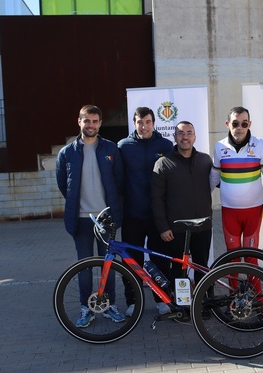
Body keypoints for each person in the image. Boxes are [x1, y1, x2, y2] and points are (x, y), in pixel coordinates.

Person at [55, 104, 126, 327]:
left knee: (109, 266)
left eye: (95, 121)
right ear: (79, 122)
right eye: (87, 121)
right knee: (84, 267)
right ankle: (86, 308)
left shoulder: (111, 149)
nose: (91, 125)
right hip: (81, 219)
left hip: (106, 219)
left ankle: (109, 305)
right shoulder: (66, 153)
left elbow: (119, 181)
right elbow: (63, 184)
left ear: (100, 123)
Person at [118, 107, 173, 317]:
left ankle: (162, 300)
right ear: (134, 123)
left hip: (158, 216)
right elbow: (118, 180)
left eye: (148, 122)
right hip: (133, 215)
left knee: (161, 260)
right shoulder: (123, 146)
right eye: (140, 122)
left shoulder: (166, 146)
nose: (144, 126)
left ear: (154, 123)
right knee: (132, 260)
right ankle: (133, 301)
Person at [210, 106, 263, 254]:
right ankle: (234, 279)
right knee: (232, 254)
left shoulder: (260, 144)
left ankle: (252, 279)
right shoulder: (219, 146)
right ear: (227, 124)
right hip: (229, 210)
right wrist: (202, 201)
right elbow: (213, 177)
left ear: (249, 124)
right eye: (235, 123)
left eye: (244, 123)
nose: (240, 128)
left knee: (251, 254)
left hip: (253, 210)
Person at [152, 121, 213, 289]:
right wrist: (163, 227)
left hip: (203, 225)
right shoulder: (163, 163)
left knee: (202, 266)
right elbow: (157, 198)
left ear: (194, 137)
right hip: (176, 229)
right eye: (180, 133)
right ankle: (182, 306)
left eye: (189, 133)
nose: (185, 137)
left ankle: (205, 304)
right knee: (179, 269)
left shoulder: (205, 160)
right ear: (174, 137)